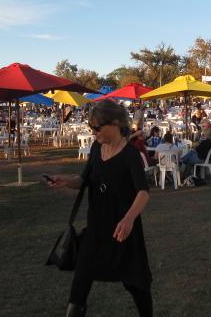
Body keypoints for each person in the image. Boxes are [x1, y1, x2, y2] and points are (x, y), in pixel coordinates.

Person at [48, 100, 152, 317]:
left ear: (115, 124)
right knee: (80, 283)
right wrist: (66, 181)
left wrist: (129, 219)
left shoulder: (130, 155)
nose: (93, 132)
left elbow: (143, 192)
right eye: (91, 128)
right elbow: (83, 179)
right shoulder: (96, 149)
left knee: (137, 285)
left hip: (123, 232)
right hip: (96, 229)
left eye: (96, 128)